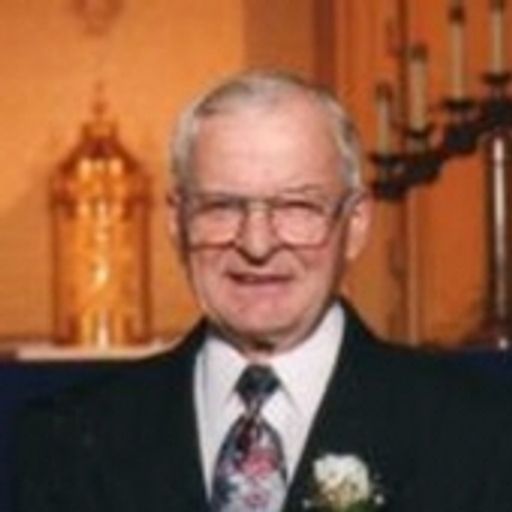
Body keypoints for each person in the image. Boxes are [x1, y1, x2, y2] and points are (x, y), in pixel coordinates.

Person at [14, 70, 512, 512]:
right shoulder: (64, 441)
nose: (257, 244)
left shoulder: (477, 432)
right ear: (177, 222)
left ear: (355, 224)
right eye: (222, 206)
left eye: (296, 207)